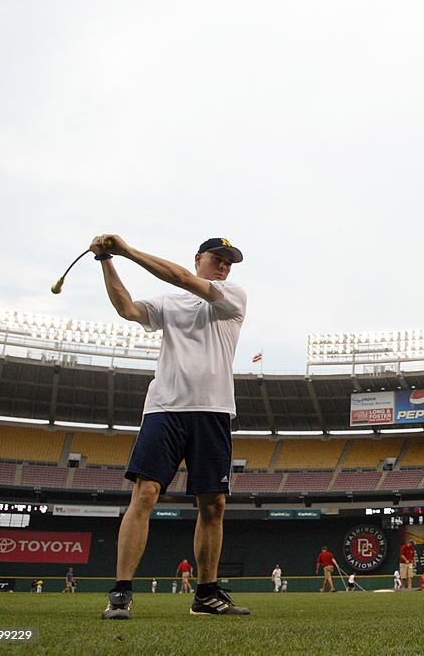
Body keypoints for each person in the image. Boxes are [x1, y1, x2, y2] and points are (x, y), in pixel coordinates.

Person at [96, 235, 250, 619]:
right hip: (164, 408)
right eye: (218, 259)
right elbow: (127, 308)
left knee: (213, 504)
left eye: (228, 262)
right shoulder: (168, 304)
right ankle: (121, 592)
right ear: (201, 258)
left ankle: (207, 594)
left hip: (212, 409)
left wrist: (128, 250)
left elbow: (181, 277)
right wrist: (106, 261)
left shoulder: (231, 295)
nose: (224, 266)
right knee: (145, 495)